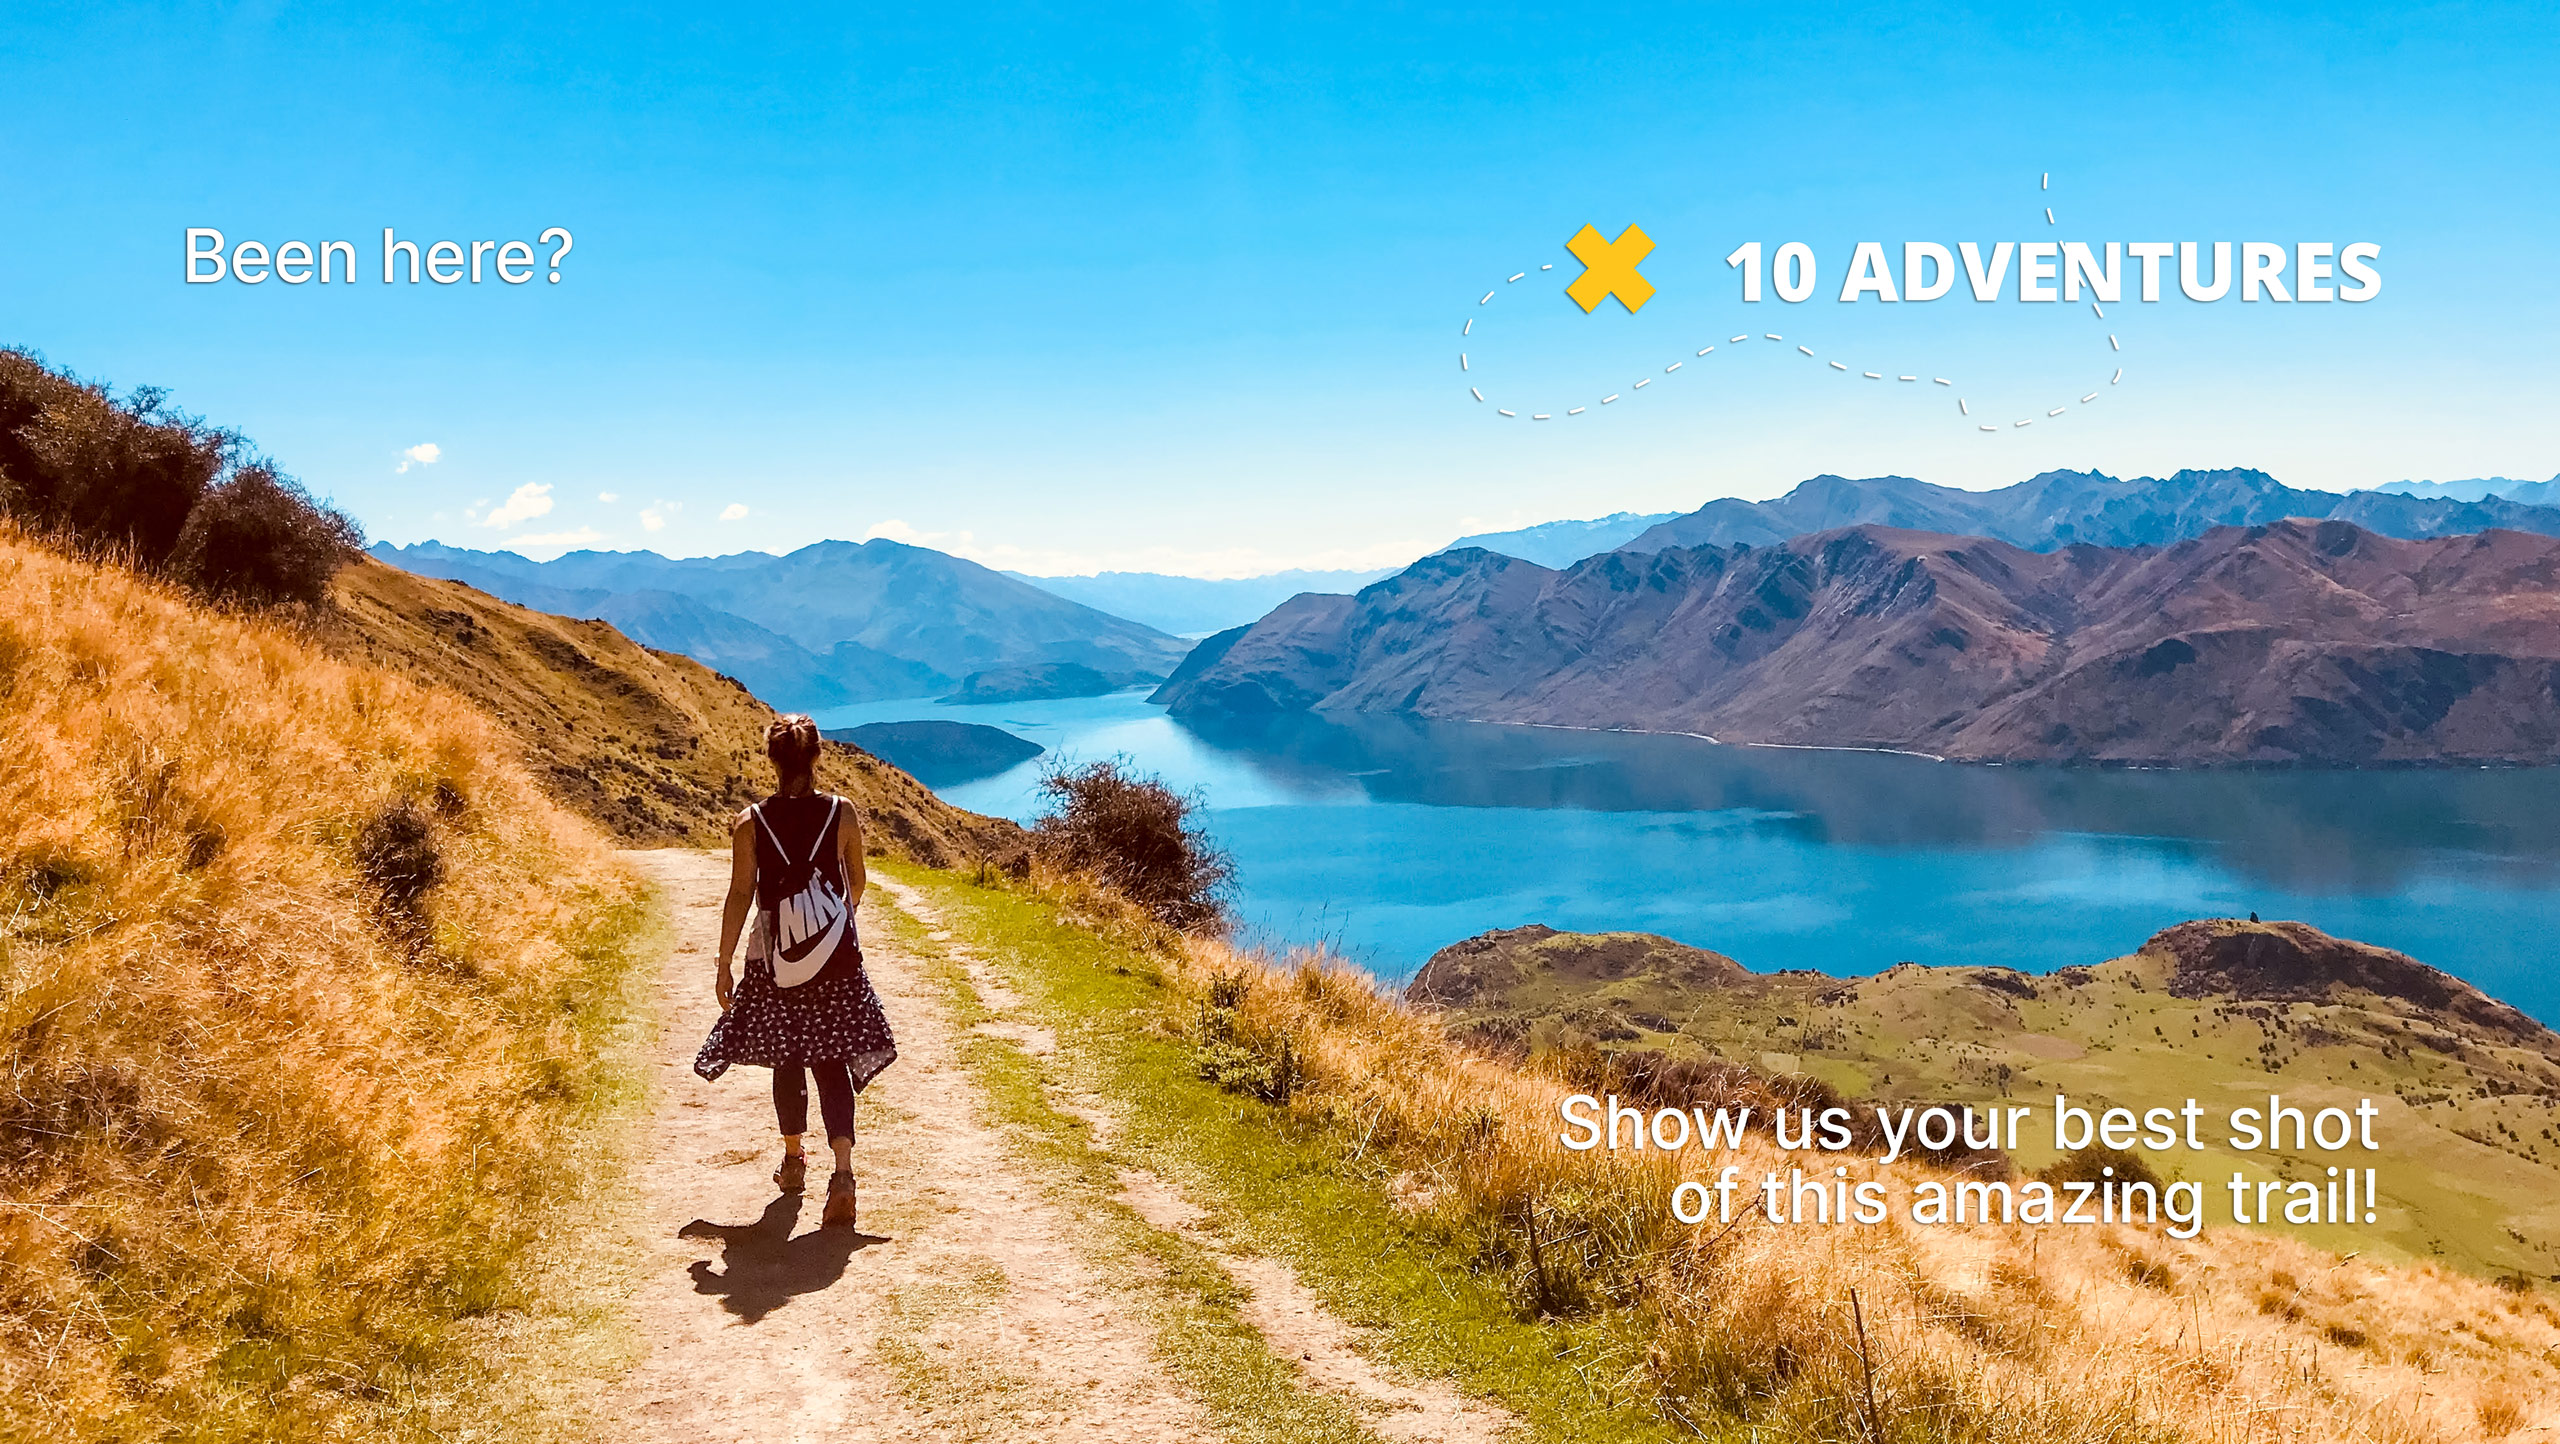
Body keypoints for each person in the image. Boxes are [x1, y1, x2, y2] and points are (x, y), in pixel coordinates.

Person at [694, 714, 898, 1228]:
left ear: (771, 759)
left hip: (773, 960)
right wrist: (826, 927)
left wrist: (723, 963)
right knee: (831, 1061)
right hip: (835, 959)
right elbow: (857, 880)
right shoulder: (842, 813)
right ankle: (844, 1174)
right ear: (816, 757)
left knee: (787, 1057)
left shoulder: (751, 822)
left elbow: (741, 894)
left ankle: (792, 1160)